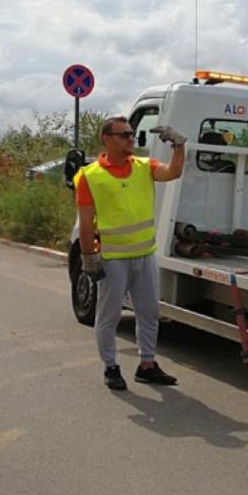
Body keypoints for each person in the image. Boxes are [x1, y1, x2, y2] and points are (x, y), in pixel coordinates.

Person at [74, 117, 186, 390]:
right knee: (108, 316)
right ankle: (111, 367)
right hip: (113, 260)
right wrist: (89, 258)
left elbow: (173, 172)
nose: (130, 139)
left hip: (144, 255)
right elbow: (86, 221)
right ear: (107, 139)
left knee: (149, 312)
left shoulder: (144, 167)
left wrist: (179, 145)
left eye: (132, 134)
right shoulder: (89, 176)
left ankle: (147, 365)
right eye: (124, 135)